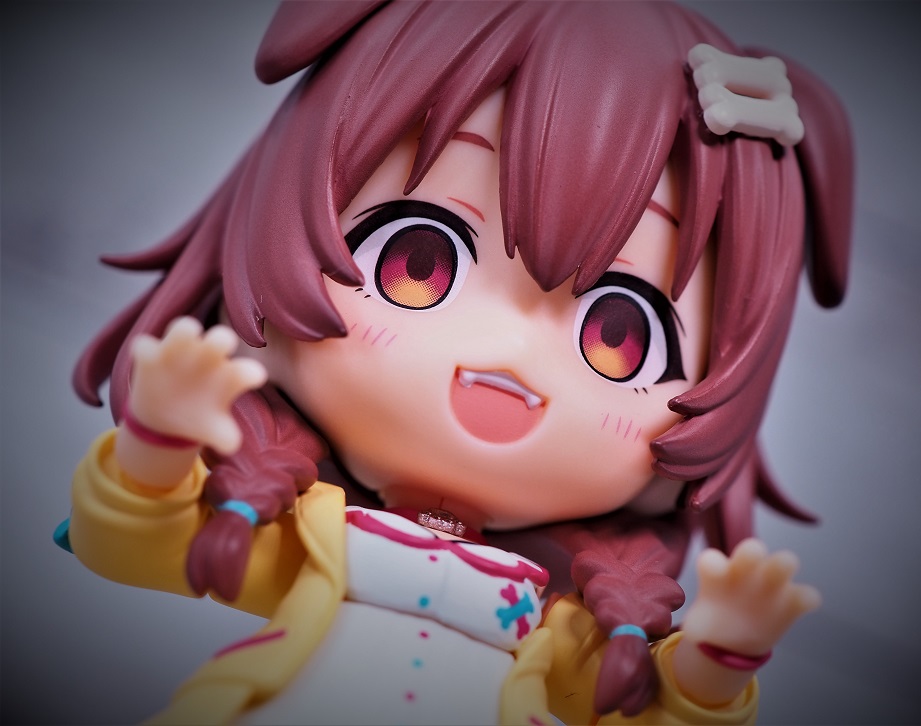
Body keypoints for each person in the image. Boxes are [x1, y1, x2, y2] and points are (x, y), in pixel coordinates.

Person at [63, 2, 852, 723]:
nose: (509, 357)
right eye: (418, 263)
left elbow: (637, 706)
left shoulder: (561, 620)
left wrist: (720, 655)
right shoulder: (312, 536)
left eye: (620, 338)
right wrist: (159, 442)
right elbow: (135, 544)